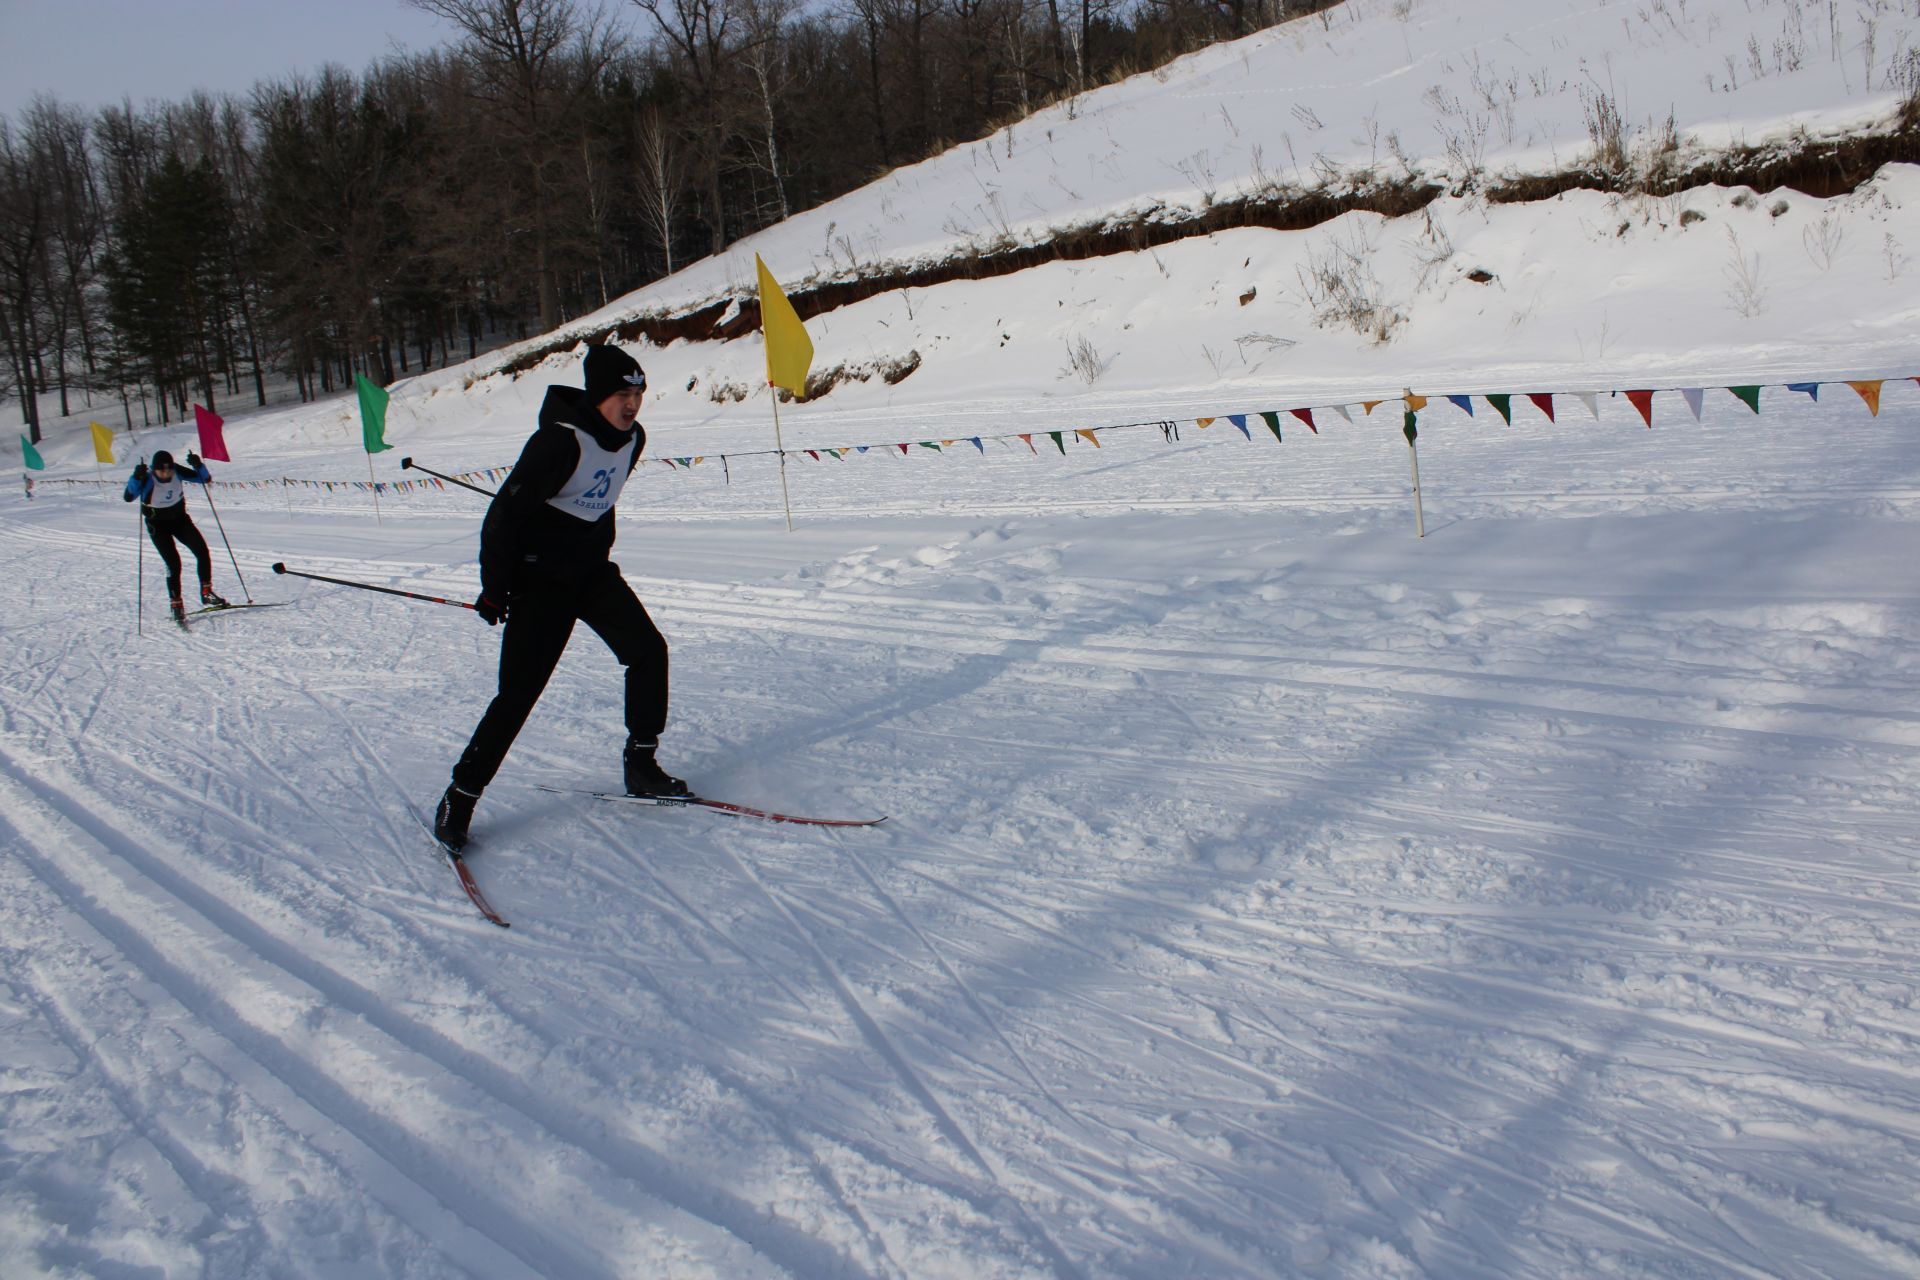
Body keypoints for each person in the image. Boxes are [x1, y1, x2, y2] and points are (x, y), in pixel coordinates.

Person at [435, 344, 684, 852]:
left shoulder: (633, 440)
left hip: (591, 574)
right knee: (519, 694)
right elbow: (503, 516)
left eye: (638, 394)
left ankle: (641, 763)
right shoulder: (555, 442)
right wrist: (495, 587)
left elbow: (598, 503)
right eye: (621, 394)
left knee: (647, 651)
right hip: (540, 582)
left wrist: (592, 550)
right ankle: (459, 797)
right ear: (597, 396)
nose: (632, 404)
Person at [124, 449, 228, 622]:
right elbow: (129, 496)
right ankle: (176, 604)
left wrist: (198, 465)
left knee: (202, 551)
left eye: (168, 470)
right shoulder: (147, 478)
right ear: (154, 469)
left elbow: (204, 479)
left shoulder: (177, 471)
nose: (165, 473)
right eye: (161, 470)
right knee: (174, 564)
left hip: (180, 520)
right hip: (157, 525)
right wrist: (136, 477)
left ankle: (206, 592)